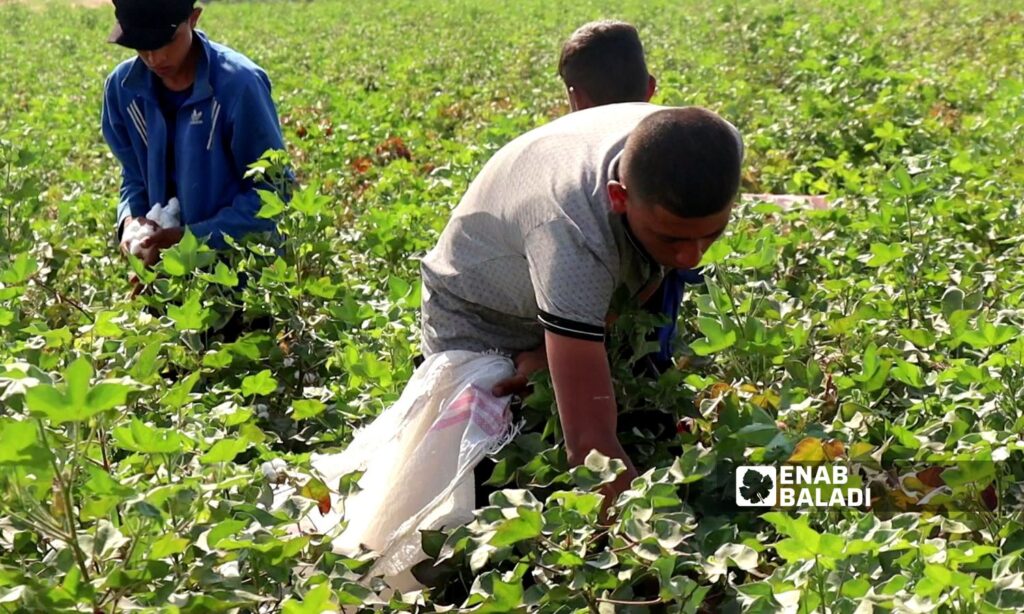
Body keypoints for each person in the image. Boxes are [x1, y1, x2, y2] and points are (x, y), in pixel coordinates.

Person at [422, 103, 743, 502]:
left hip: (566, 280)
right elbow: (591, 447)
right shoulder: (572, 237)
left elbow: (642, 271)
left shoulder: (717, 146)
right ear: (619, 197)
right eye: (672, 239)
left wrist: (554, 349)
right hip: (478, 313)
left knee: (644, 416)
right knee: (481, 483)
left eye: (711, 234)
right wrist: (654, 542)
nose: (692, 258)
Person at [101, 0, 287, 267]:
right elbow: (134, 176)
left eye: (166, 41)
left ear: (194, 18)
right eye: (142, 44)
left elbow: (274, 192)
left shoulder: (239, 86)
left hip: (243, 276)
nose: (155, 58)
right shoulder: (123, 89)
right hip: (168, 277)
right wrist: (131, 222)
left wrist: (193, 238)